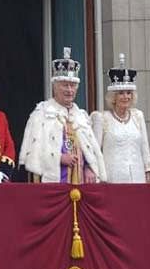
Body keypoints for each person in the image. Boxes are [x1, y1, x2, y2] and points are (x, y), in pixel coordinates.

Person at [19, 47, 106, 183]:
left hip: (81, 183)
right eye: (65, 85)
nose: (69, 90)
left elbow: (90, 150)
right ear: (55, 86)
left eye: (73, 86)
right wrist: (58, 157)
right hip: (52, 182)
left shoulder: (81, 116)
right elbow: (33, 153)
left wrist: (90, 167)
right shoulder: (41, 113)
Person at [90, 53, 150, 183]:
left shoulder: (138, 116)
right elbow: (95, 152)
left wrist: (147, 170)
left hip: (137, 176)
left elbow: (144, 146)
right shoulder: (102, 118)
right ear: (113, 97)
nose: (126, 97)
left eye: (129, 93)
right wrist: (97, 176)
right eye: (121, 93)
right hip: (113, 178)